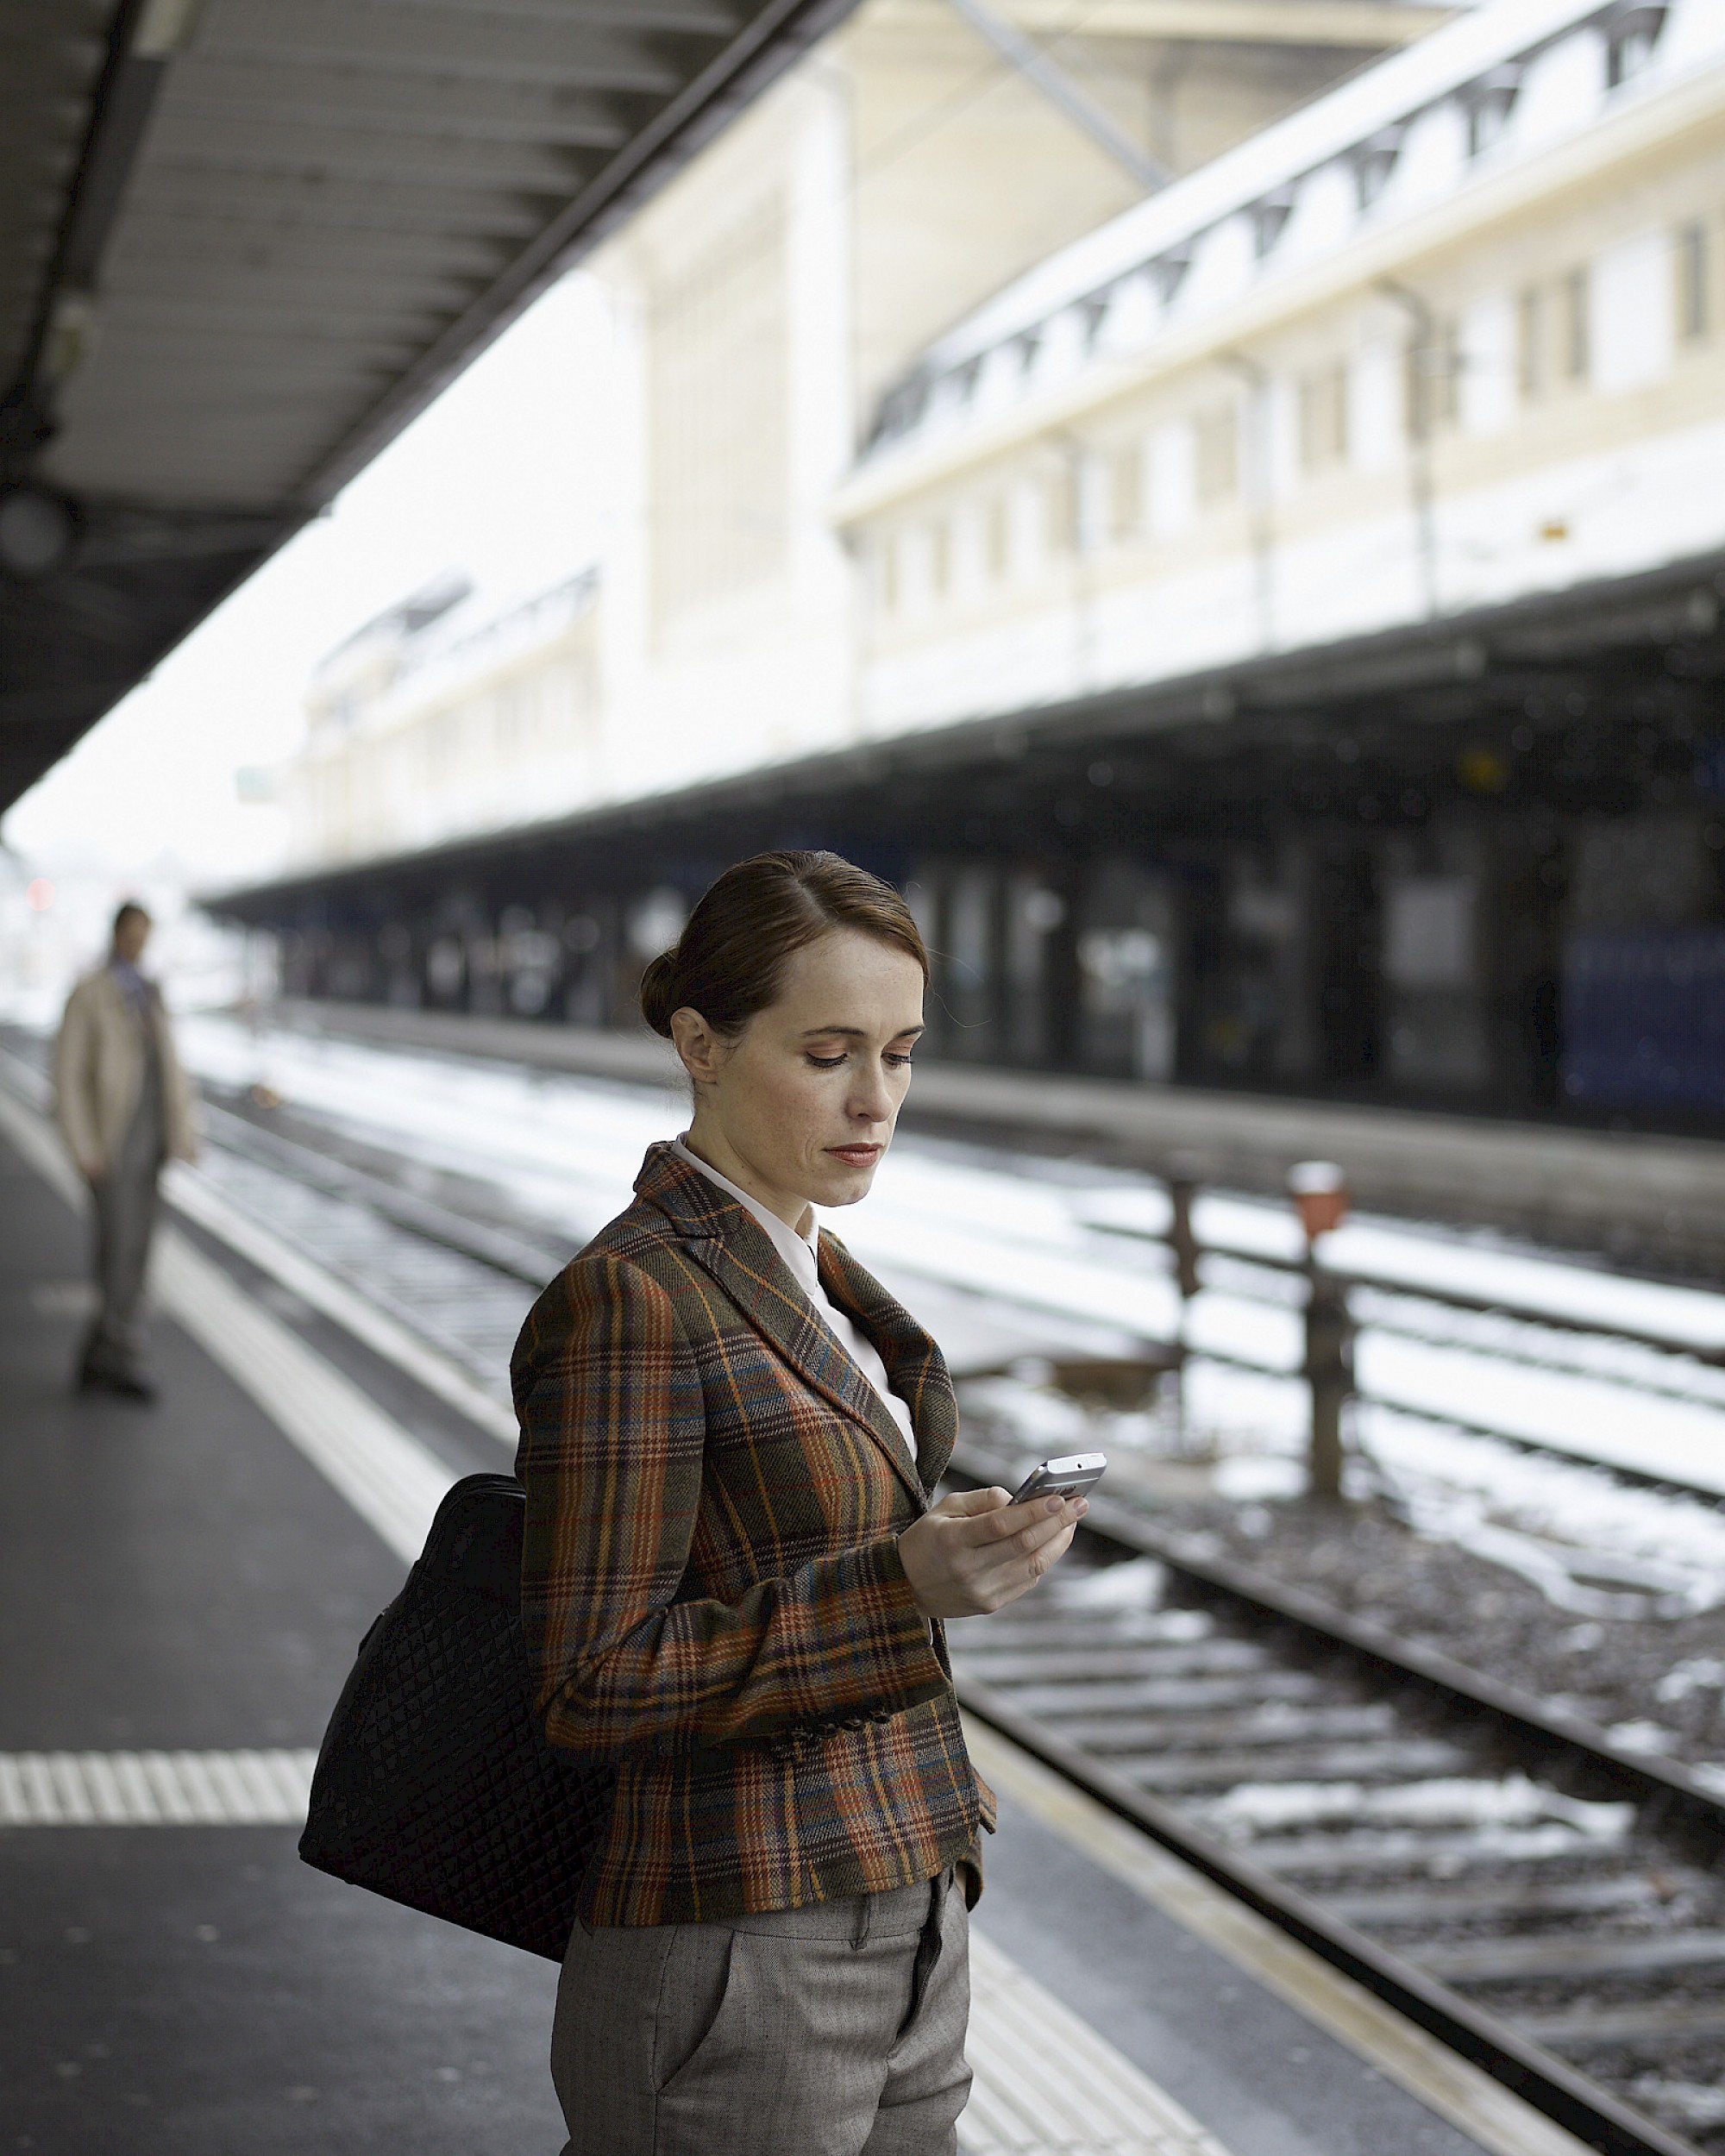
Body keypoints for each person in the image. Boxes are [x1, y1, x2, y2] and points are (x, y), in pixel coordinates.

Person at [511, 850, 1088, 2156]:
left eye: (900, 1053)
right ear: (701, 1045)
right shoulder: (632, 1299)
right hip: (735, 1943)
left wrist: (939, 1561)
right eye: (827, 1054)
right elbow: (591, 1682)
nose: (875, 1098)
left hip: (908, 1911)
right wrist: (900, 1589)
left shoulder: (812, 1272)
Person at [53, 901, 198, 1400]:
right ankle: (123, 1357)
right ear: (116, 934)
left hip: (152, 1144)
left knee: (137, 1252)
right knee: (117, 1252)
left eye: (145, 935)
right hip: (112, 1145)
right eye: (132, 934)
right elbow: (68, 1075)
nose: (138, 943)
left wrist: (183, 1133)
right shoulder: (91, 993)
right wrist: (83, 1146)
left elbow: (172, 1071)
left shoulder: (151, 993)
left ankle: (97, 1355)